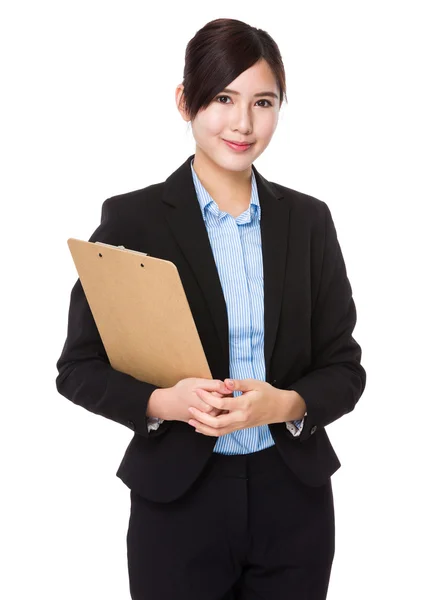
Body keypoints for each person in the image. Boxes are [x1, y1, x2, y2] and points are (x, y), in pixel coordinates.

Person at [56, 17, 366, 600]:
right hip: (178, 502)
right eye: (224, 97)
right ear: (185, 101)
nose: (243, 122)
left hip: (293, 500)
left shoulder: (309, 221)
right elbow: (77, 369)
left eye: (263, 101)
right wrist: (161, 402)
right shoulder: (132, 221)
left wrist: (288, 403)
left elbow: (345, 368)